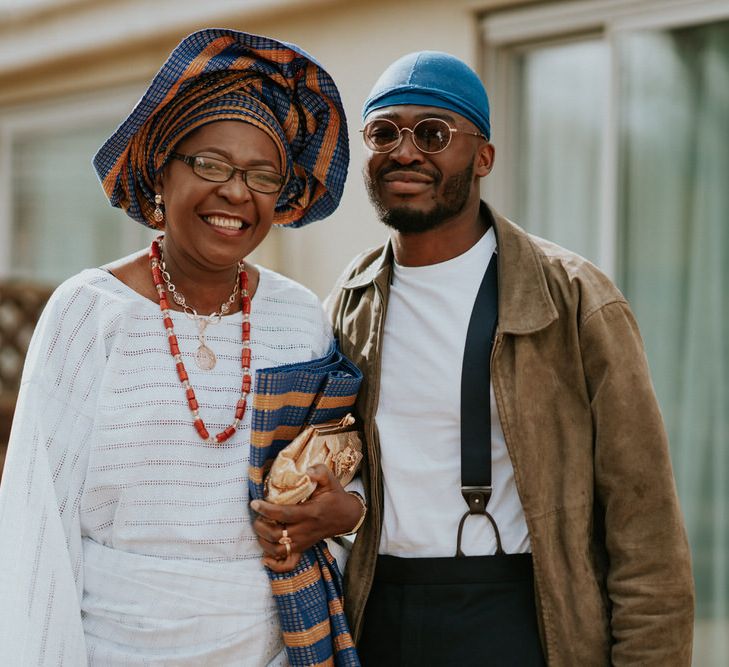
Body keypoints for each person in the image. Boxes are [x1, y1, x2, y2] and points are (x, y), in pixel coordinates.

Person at [0, 28, 361, 666]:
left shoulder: (300, 317)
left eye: (261, 174)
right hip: (112, 649)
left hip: (269, 651)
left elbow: (329, 484)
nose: (235, 192)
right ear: (161, 173)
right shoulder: (90, 315)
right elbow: (37, 526)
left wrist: (342, 512)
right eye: (210, 164)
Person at [322, 52, 695, 665]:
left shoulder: (574, 298)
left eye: (434, 133)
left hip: (524, 619)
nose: (406, 152)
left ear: (483, 157)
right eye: (384, 133)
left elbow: (643, 521)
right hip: (379, 613)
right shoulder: (352, 299)